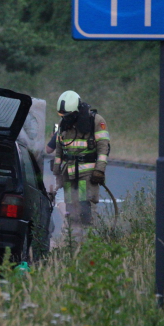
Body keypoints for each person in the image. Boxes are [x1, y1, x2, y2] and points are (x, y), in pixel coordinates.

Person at [52, 90, 110, 234]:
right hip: (69, 175)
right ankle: (73, 243)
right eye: (62, 115)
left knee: (85, 209)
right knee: (72, 210)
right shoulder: (63, 123)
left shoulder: (95, 121)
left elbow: (103, 147)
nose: (65, 118)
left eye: (68, 115)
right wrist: (56, 170)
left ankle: (88, 242)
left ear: (76, 111)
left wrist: (99, 170)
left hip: (87, 175)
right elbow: (59, 148)